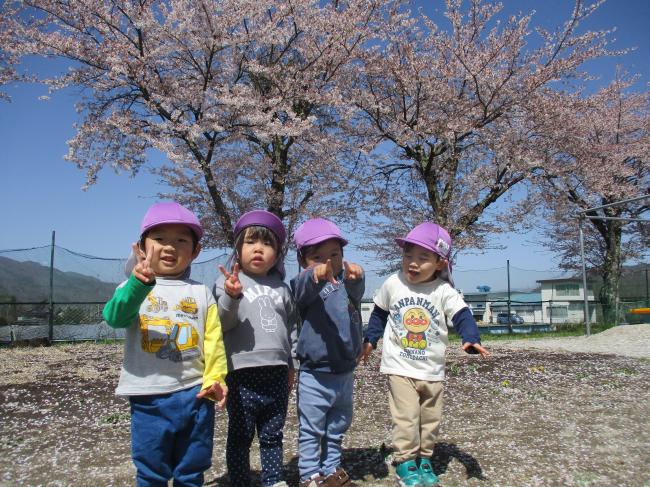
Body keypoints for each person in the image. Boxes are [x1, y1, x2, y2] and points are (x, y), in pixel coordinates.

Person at [102, 201, 228, 487]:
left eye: (181, 241)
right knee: (151, 469)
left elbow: (213, 341)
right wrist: (137, 285)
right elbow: (114, 318)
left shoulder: (201, 292)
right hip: (148, 396)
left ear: (195, 251)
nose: (170, 247)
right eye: (160, 239)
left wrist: (216, 378)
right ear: (142, 247)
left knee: (192, 467)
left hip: (195, 394)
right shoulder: (133, 286)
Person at [360, 222, 490, 487]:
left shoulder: (443, 291)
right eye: (408, 256)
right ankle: (406, 461)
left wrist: (471, 339)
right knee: (406, 417)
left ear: (440, 263)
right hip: (399, 366)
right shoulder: (393, 283)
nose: (413, 263)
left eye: (423, 258)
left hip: (431, 369)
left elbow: (462, 314)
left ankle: (425, 458)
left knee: (430, 419)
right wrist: (370, 339)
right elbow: (379, 313)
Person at [213, 210, 298, 487]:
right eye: (250, 242)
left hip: (275, 372)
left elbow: (291, 328)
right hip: (240, 373)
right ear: (238, 249)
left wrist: (292, 364)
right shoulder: (227, 284)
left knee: (273, 433)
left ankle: (273, 480)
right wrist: (231, 296)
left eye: (267, 244)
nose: (258, 249)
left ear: (277, 254)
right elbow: (223, 324)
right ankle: (240, 481)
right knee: (240, 435)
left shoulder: (282, 288)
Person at [290, 218, 365, 487]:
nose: (327, 262)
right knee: (312, 427)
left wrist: (357, 279)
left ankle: (332, 468)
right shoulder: (303, 283)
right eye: (317, 257)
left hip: (345, 369)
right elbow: (300, 292)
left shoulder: (344, 281)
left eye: (334, 255)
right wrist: (314, 275)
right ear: (302, 260)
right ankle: (310, 475)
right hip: (315, 372)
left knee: (338, 424)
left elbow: (356, 299)